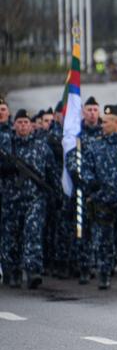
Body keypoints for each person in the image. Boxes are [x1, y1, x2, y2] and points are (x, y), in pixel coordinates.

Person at [68, 104, 117, 290]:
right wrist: (89, 181)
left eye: (107, 121)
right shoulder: (95, 144)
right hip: (102, 198)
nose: (102, 124)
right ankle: (104, 272)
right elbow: (84, 167)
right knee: (103, 238)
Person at [0, 109, 57, 289]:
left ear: (31, 126)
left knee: (32, 233)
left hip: (35, 198)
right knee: (11, 236)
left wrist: (55, 194)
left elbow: (51, 172)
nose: (23, 126)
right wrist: (6, 168)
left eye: (26, 122)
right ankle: (12, 271)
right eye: (20, 123)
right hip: (11, 199)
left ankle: (33, 271)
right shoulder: (7, 145)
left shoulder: (41, 146)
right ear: (14, 125)